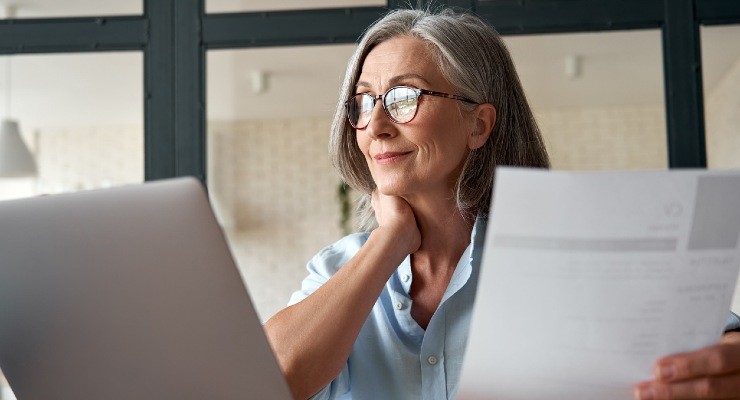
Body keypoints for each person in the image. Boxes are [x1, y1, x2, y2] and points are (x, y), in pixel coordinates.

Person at [264, 7, 740, 400]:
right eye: (364, 103)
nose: (378, 125)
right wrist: (389, 241)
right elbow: (269, 382)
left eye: (404, 97)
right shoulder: (336, 270)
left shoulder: (565, 253)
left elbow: (717, 340)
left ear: (479, 124)